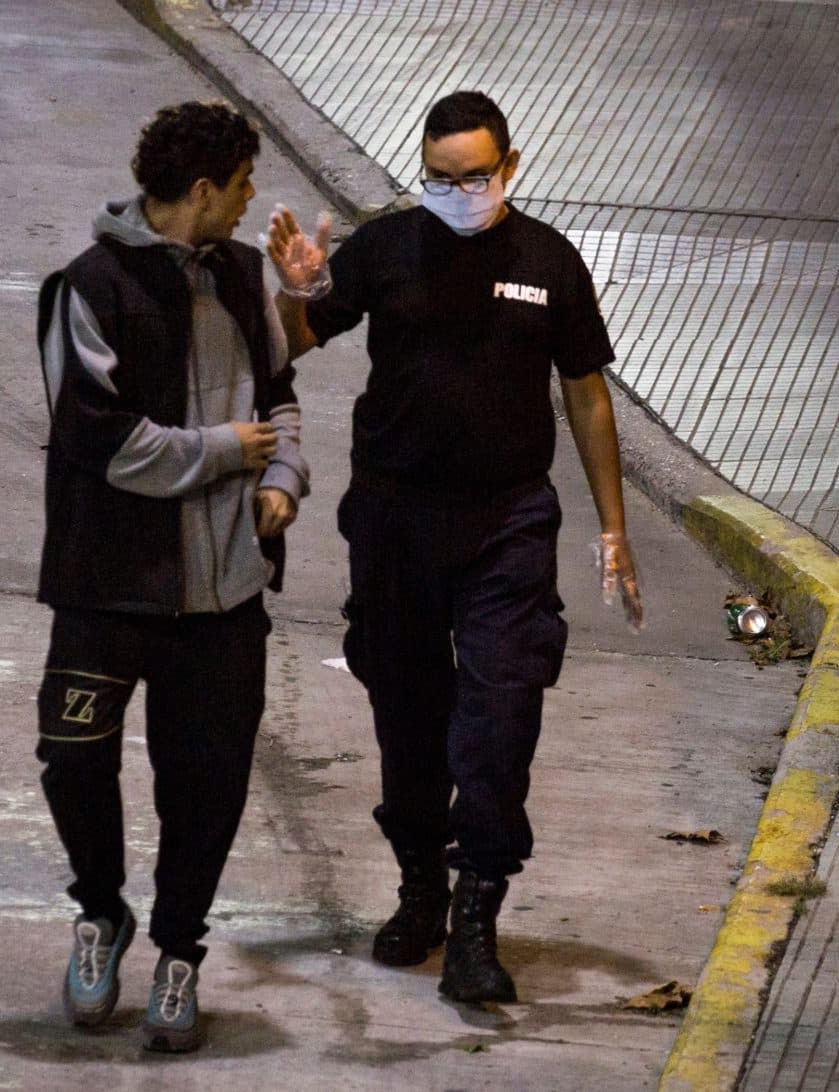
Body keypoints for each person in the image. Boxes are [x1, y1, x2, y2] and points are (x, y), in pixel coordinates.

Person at [265, 90, 642, 1003]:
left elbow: (587, 394)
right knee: (406, 710)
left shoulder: (549, 262)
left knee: (501, 712)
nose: (459, 192)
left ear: (509, 166)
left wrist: (615, 527)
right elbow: (297, 339)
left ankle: (478, 911)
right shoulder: (388, 248)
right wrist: (300, 286)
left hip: (507, 521)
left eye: (476, 176)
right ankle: (421, 888)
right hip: (395, 519)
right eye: (440, 178)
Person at [33, 100, 310, 1053]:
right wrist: (228, 451)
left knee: (208, 781)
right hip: (106, 585)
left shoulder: (241, 277)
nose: (246, 205)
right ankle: (101, 914)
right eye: (239, 188)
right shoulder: (89, 287)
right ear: (202, 189)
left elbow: (283, 402)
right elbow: (99, 441)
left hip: (225, 592)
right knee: (74, 762)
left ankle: (180, 948)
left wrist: (281, 477)